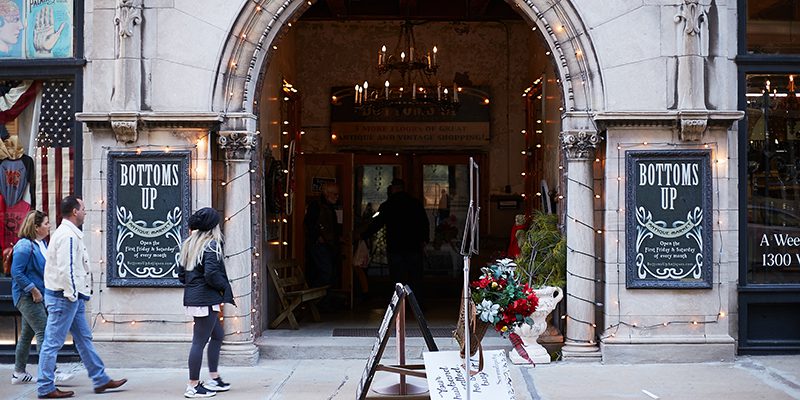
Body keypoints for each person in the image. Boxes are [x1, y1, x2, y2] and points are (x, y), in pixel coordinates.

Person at [37, 196, 127, 399]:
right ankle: (45, 387)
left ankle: (100, 379)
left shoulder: (69, 233)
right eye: (84, 208)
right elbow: (66, 268)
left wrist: (75, 297)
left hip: (71, 297)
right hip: (64, 297)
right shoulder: (68, 236)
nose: (86, 212)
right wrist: (71, 296)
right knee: (52, 342)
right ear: (75, 212)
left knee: (84, 339)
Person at [10, 210, 73, 385]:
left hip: (37, 296)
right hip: (27, 297)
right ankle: (51, 372)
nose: (49, 226)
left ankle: (18, 373)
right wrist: (34, 290)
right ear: (36, 227)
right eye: (46, 223)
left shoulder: (41, 244)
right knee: (45, 332)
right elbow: (16, 272)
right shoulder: (24, 246)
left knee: (26, 335)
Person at [178, 207, 234, 398]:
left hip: (197, 297)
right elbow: (211, 274)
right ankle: (193, 385)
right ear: (213, 226)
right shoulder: (211, 245)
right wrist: (222, 286)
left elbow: (181, 275)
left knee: (218, 335)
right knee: (199, 342)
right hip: (205, 299)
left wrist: (194, 285)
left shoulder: (189, 244)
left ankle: (213, 377)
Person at [362, 178, 429, 300]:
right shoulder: (415, 204)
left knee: (398, 277)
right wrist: (424, 240)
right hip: (413, 246)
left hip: (395, 247)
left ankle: (398, 306)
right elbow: (424, 223)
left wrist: (363, 235)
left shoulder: (388, 205)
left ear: (393, 189)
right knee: (415, 277)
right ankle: (418, 304)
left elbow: (377, 223)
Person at [303, 183, 342, 289]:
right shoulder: (316, 206)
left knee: (329, 274)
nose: (337, 197)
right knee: (326, 273)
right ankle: (316, 299)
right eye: (335, 194)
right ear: (326, 193)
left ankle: (321, 299)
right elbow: (309, 223)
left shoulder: (329, 207)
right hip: (320, 245)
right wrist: (318, 237)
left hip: (328, 245)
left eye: (338, 194)